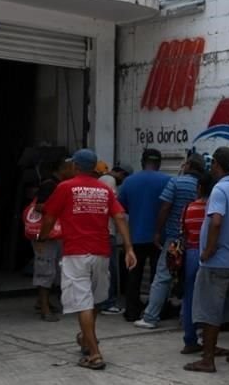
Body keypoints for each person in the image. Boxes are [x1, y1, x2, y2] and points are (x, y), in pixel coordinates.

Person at [39, 149, 137, 370]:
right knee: (95, 302)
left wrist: (43, 236)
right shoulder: (104, 189)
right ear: (94, 167)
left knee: (83, 303)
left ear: (75, 166)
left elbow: (49, 216)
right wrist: (129, 248)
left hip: (76, 253)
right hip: (101, 252)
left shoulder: (64, 187)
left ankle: (94, 354)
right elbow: (119, 216)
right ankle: (86, 339)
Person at [185, 147, 229, 373]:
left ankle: (207, 359)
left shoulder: (220, 190)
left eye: (212, 164)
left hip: (217, 261)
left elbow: (217, 221)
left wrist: (209, 250)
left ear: (217, 165)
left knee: (210, 311)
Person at [135, 153, 204, 329]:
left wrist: (158, 231)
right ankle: (186, 319)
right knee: (191, 278)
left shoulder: (175, 182)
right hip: (196, 240)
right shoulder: (204, 185)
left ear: (188, 165)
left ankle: (150, 317)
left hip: (174, 239)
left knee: (163, 276)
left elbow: (165, 207)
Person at [118, 148, 170, 322]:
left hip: (135, 237)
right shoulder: (168, 181)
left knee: (134, 276)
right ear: (159, 163)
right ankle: (157, 310)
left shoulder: (129, 182)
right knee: (158, 277)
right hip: (159, 238)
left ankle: (132, 312)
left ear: (142, 162)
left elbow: (121, 208)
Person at [180, 173, 213, 354]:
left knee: (189, 298)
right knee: (209, 300)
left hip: (191, 253)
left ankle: (190, 338)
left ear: (199, 188)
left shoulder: (188, 208)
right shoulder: (213, 209)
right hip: (209, 254)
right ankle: (207, 339)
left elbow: (183, 233)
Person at [32, 159, 68, 322]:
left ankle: (42, 302)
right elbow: (39, 206)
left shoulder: (61, 184)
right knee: (45, 269)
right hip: (47, 233)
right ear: (62, 168)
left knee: (53, 269)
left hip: (55, 233)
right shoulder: (50, 184)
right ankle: (45, 309)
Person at [97, 164, 126, 316]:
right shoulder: (109, 180)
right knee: (111, 270)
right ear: (120, 173)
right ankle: (108, 303)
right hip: (107, 232)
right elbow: (113, 207)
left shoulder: (100, 180)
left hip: (101, 232)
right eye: (124, 177)